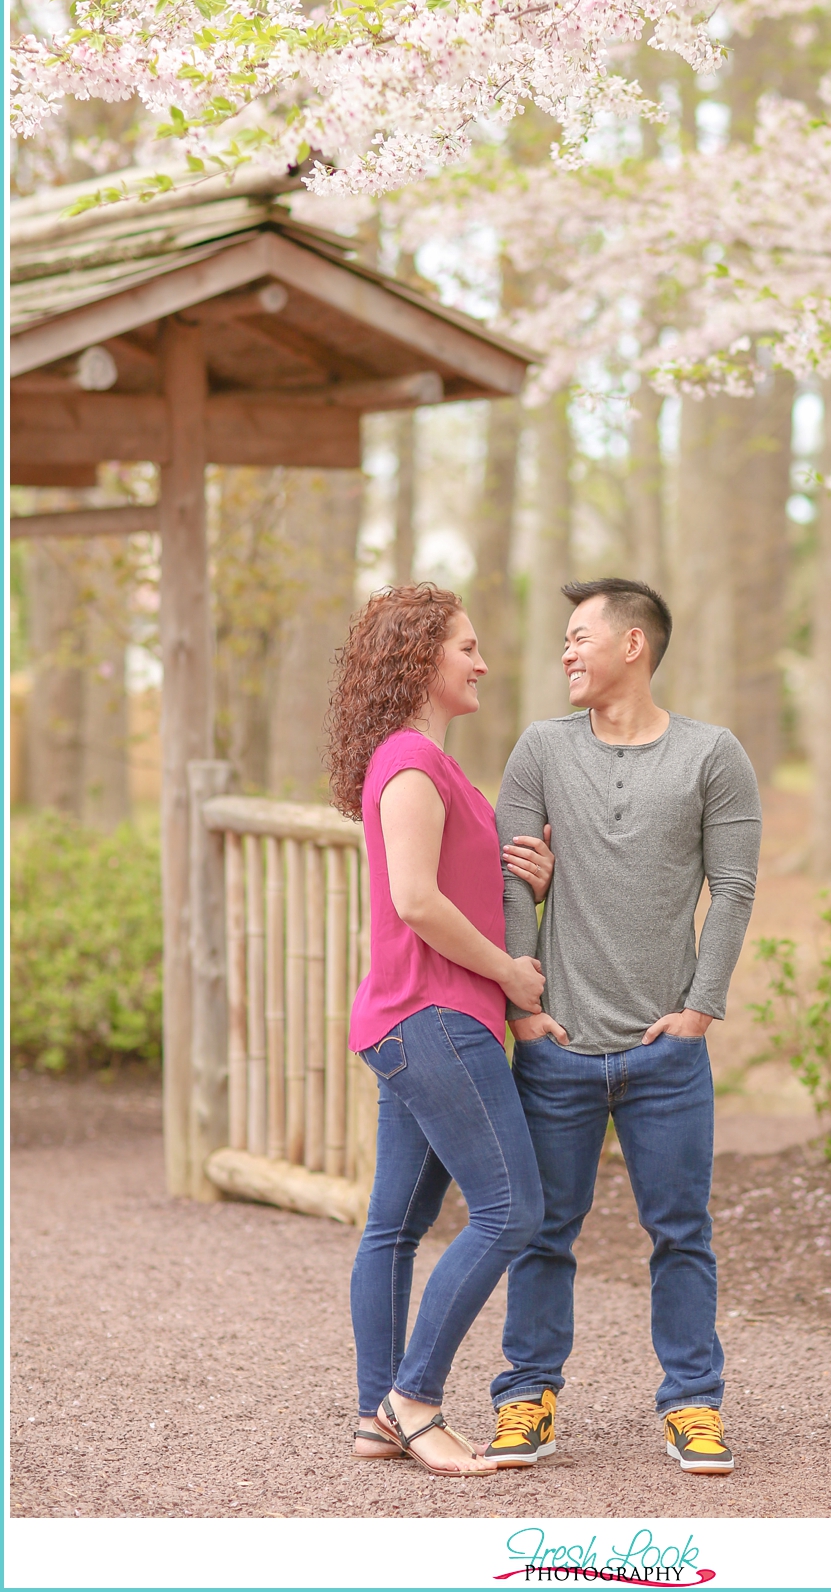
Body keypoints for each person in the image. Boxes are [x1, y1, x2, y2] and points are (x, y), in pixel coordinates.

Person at [486, 578, 762, 1475]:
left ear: (633, 645)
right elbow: (508, 881)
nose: (565, 651)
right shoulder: (538, 751)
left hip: (664, 1055)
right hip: (557, 1050)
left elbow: (735, 888)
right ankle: (527, 1396)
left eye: (579, 636)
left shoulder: (713, 754)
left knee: (681, 1232)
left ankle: (693, 1405)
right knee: (540, 1230)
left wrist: (699, 1011)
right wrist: (525, 1012)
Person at [327, 583, 556, 1478]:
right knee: (513, 1210)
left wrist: (525, 882)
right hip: (436, 1020)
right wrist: (508, 973)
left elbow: (451, 885)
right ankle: (414, 1398)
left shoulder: (423, 763)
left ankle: (375, 1415)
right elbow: (416, 901)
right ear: (422, 657)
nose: (482, 661)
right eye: (467, 646)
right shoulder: (414, 763)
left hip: (410, 1019)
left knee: (395, 1223)